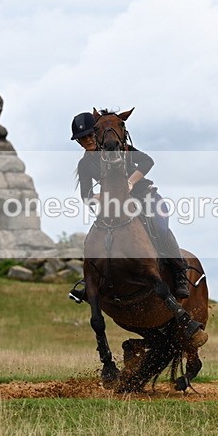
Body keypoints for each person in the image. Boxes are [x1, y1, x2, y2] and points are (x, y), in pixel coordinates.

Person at [70, 110, 192, 299]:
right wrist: (102, 197)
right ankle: (90, 281)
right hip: (114, 204)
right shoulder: (84, 164)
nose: (87, 140)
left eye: (89, 135)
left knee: (161, 226)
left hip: (144, 195)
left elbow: (147, 161)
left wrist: (130, 182)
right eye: (81, 138)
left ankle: (179, 273)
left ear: (96, 133)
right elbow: (86, 195)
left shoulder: (120, 148)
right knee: (96, 239)